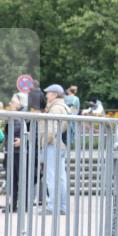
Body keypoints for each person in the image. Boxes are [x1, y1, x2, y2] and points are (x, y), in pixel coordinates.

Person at [43, 84, 70, 215]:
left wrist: (44, 142)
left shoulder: (55, 108)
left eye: (48, 93)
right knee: (61, 177)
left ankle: (52, 206)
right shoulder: (63, 106)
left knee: (51, 177)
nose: (46, 95)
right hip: (60, 144)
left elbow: (51, 129)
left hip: (53, 144)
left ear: (54, 94)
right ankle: (63, 206)